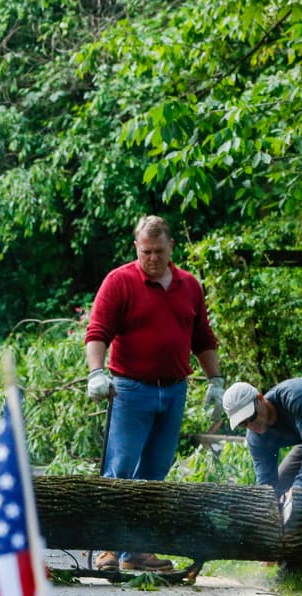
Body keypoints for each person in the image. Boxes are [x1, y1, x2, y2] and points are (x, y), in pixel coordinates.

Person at [84, 215, 223, 571]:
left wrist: (215, 382)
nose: (153, 258)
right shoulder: (120, 281)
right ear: (137, 248)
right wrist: (97, 373)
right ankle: (108, 549)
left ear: (171, 247)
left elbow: (202, 337)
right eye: (146, 251)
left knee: (154, 474)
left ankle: (136, 552)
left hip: (173, 391)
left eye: (159, 251)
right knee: (120, 469)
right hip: (131, 389)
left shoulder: (189, 285)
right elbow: (98, 331)